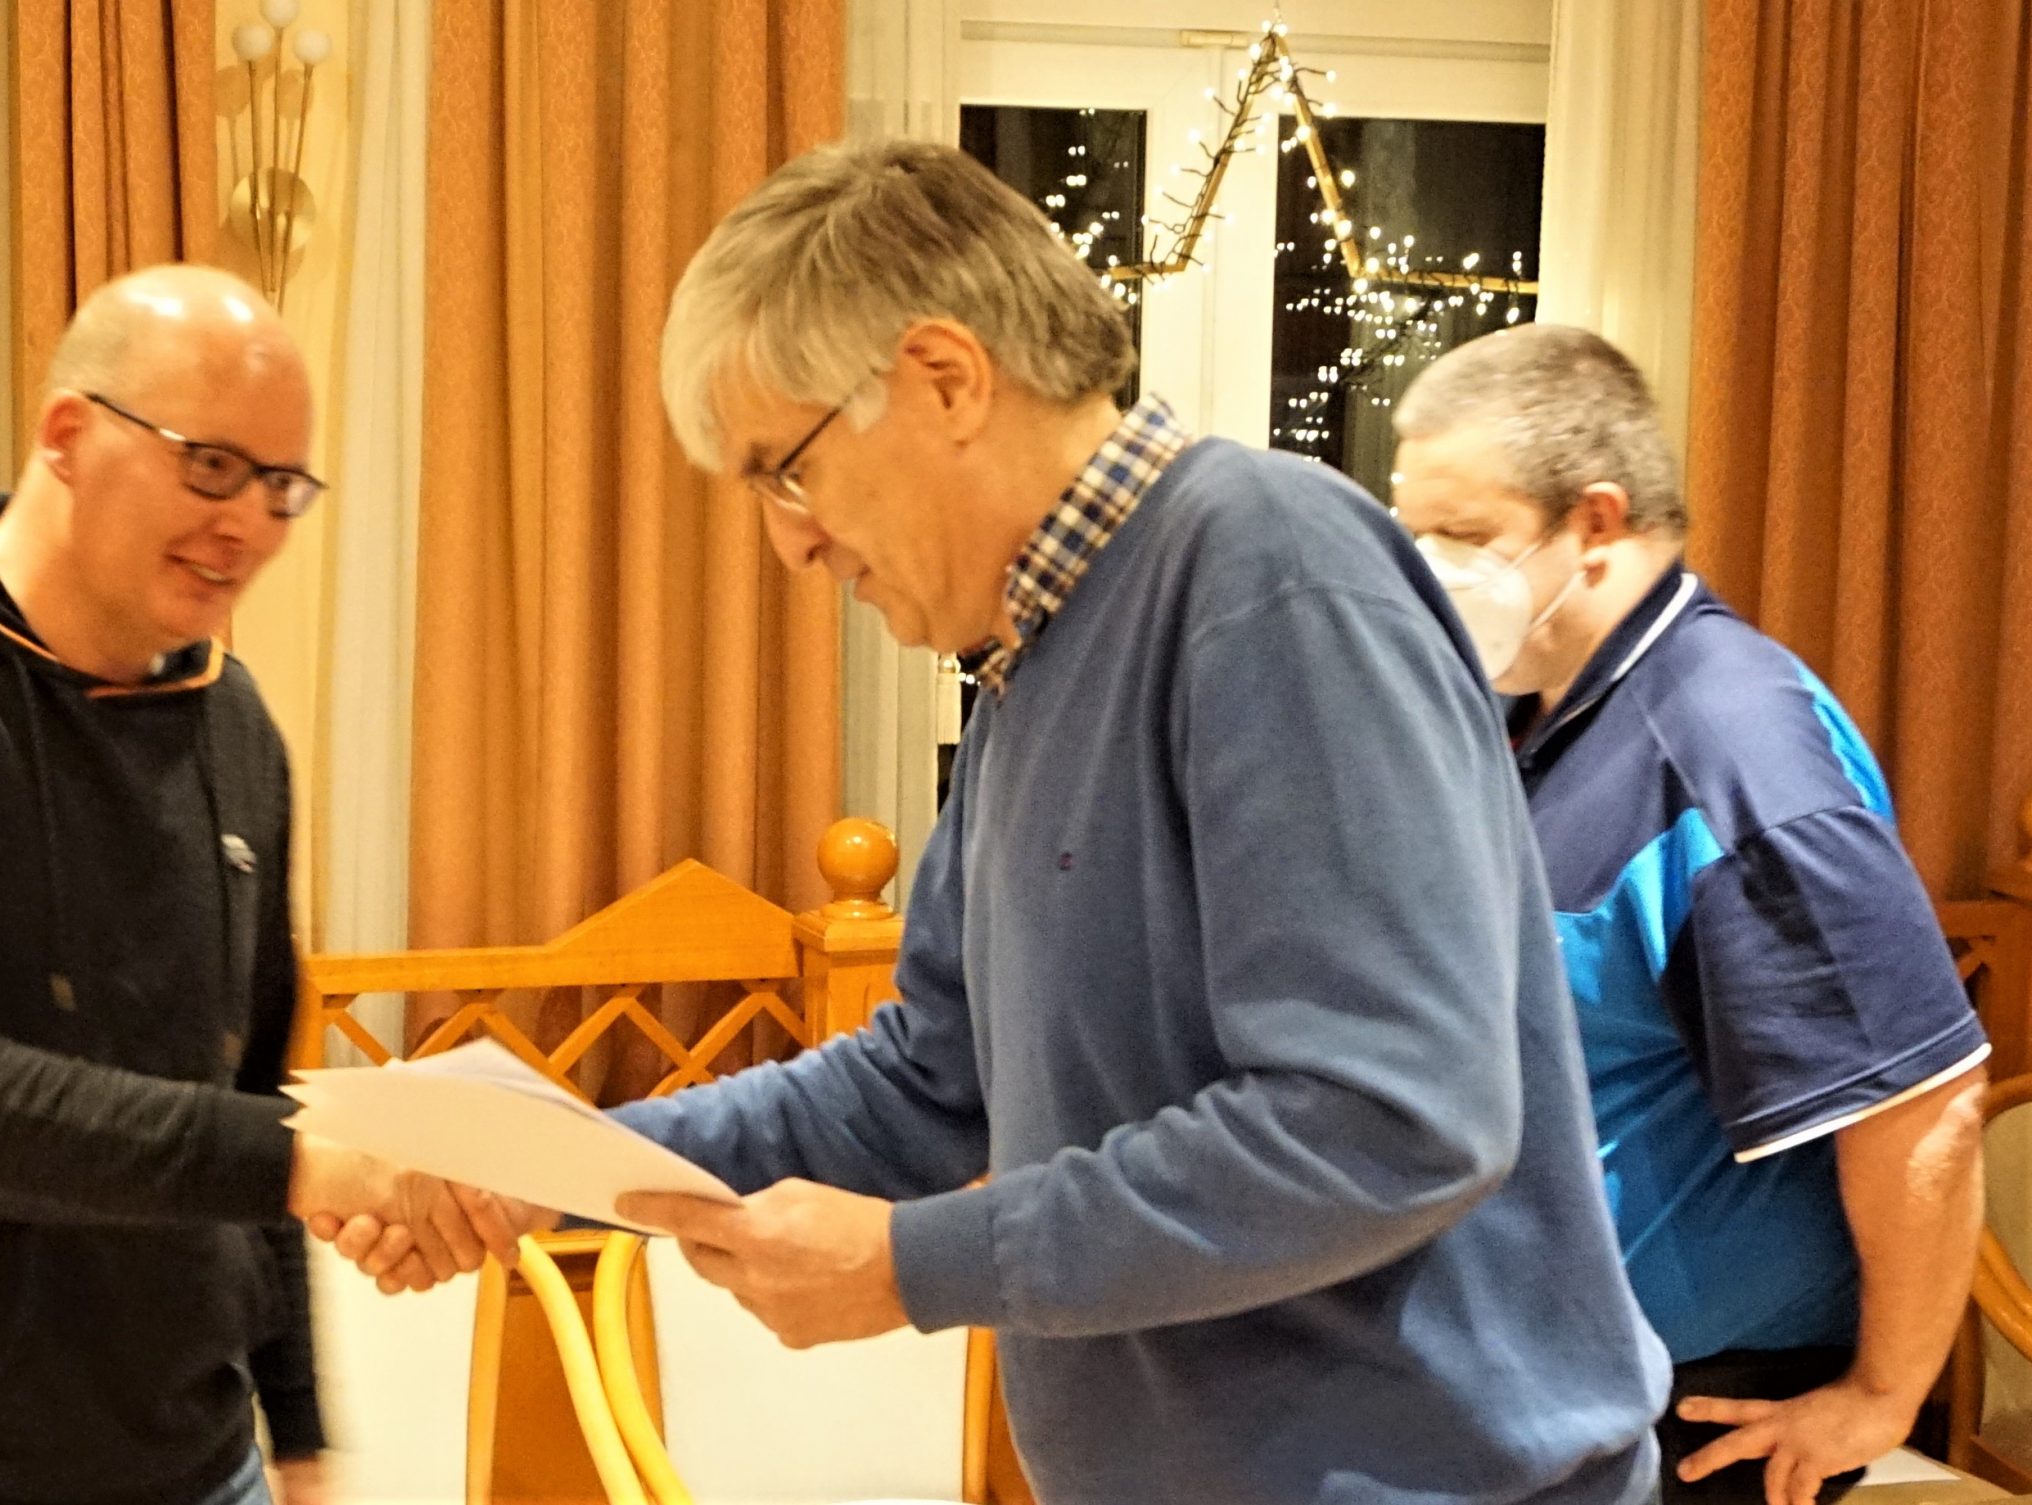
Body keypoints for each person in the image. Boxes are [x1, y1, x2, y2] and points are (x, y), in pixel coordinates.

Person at [334, 139, 1672, 1505]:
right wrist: (545, 1164)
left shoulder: (1265, 566)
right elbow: (927, 1084)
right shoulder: (1031, 665)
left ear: (944, 378)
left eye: (783, 470)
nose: (789, 541)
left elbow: (1390, 1118)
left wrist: (916, 1265)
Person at [0, 264, 516, 1505]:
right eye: (211, 466)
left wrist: (297, 1425)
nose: (248, 523)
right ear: (68, 435)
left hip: (194, 1453)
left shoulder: (233, 723)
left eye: (281, 486)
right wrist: (299, 1158)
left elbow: (253, 1086)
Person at [1390, 324, 1989, 1505]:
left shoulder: (1728, 749)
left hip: (1693, 1414)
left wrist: (1882, 1395)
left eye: (1460, 535)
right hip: (1538, 1388)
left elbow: (1922, 1101)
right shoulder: (1542, 717)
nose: (1427, 571)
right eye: (1413, 533)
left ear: (1594, 523)